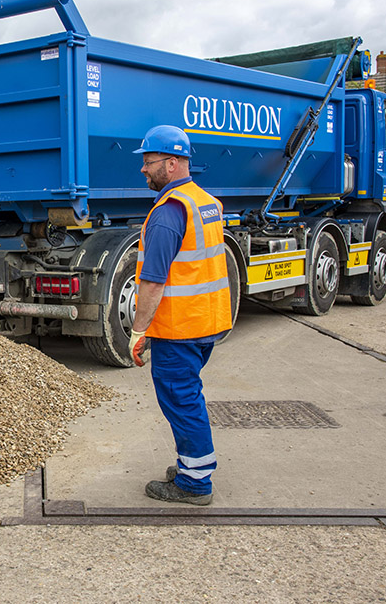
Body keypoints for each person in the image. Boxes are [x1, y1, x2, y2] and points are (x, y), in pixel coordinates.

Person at [128, 125, 232, 506]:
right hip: (206, 321)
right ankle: (192, 466)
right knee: (188, 395)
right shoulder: (204, 201)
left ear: (171, 163)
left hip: (179, 327)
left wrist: (138, 331)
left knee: (181, 398)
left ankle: (194, 482)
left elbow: (153, 282)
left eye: (149, 162)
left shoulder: (168, 213)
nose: (143, 169)